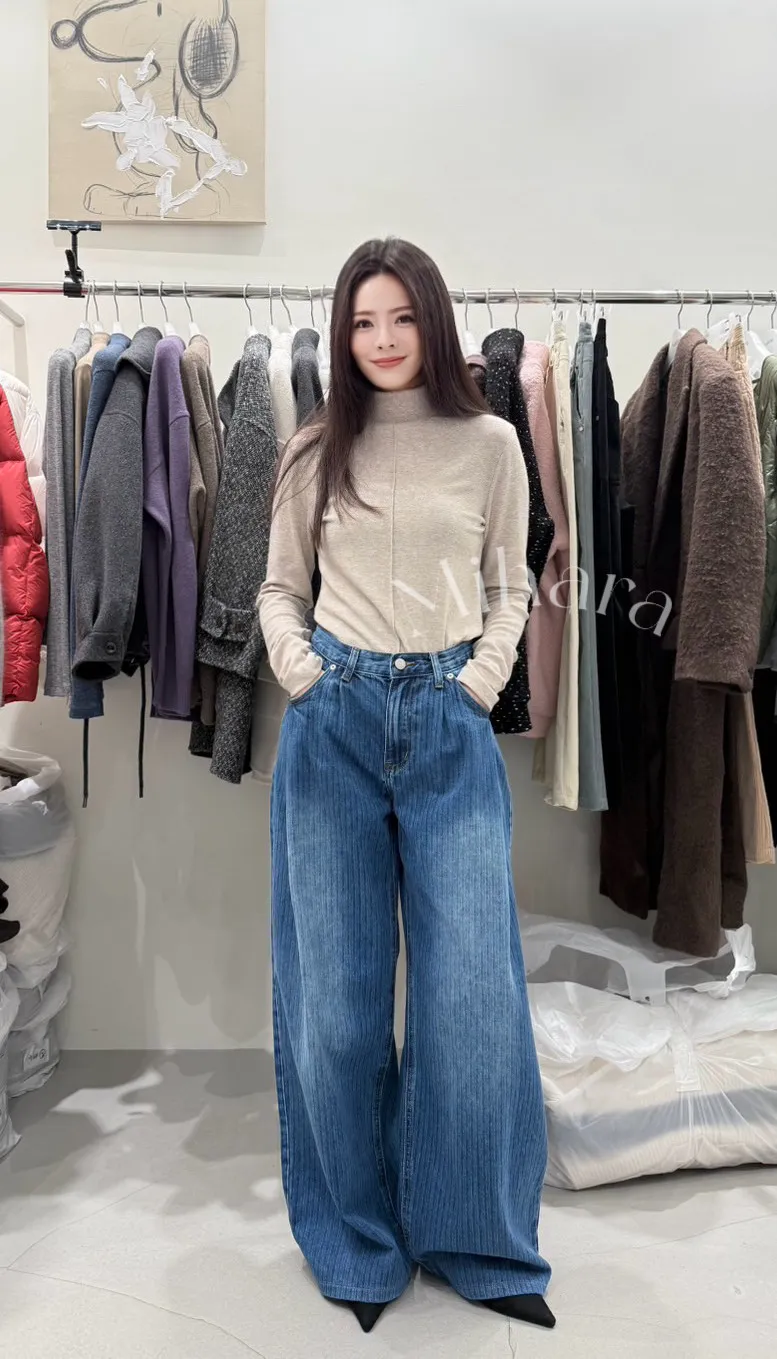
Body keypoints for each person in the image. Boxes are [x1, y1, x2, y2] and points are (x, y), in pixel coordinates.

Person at [257, 237, 554, 1335]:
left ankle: (477, 1241)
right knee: (334, 1008)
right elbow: (278, 589)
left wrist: (476, 682)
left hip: (446, 724)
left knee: (471, 1001)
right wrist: (301, 673)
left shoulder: (490, 444)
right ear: (343, 334)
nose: (381, 340)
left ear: (434, 320)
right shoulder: (314, 447)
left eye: (400, 318)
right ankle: (355, 1245)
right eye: (361, 322)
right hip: (332, 723)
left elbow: (511, 584)